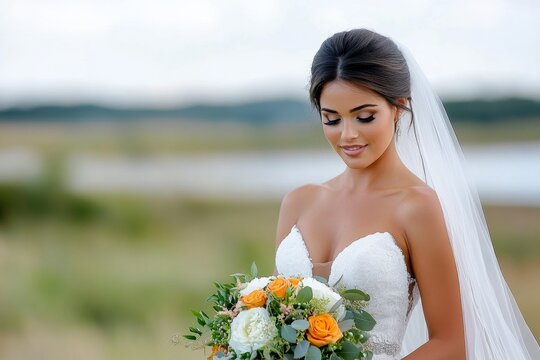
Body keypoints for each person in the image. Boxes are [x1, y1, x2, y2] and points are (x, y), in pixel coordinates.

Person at [273, 28, 540, 359]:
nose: (348, 135)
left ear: (398, 107)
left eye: (365, 116)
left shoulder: (417, 205)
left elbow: (451, 344)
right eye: (332, 119)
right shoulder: (298, 201)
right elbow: (280, 317)